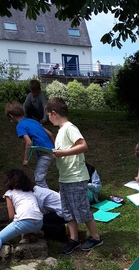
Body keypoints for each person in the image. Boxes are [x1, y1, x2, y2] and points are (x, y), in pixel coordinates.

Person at [44, 97, 102, 254]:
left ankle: (96, 238)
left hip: (75, 177)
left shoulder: (69, 128)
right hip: (64, 177)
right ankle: (73, 239)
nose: (48, 118)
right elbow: (63, 153)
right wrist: (54, 154)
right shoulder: (60, 131)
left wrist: (62, 152)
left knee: (82, 209)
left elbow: (83, 145)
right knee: (68, 210)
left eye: (48, 115)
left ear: (54, 113)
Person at [0, 169, 43, 269]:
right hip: (39, 223)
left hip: (25, 222)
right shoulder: (31, 192)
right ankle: (31, 233)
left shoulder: (9, 193)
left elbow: (11, 216)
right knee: (27, 223)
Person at [5, 100, 54, 189]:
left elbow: (29, 142)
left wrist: (25, 160)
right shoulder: (32, 121)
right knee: (38, 175)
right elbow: (50, 134)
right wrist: (55, 148)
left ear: (11, 116)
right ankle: (44, 197)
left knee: (39, 179)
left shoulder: (20, 126)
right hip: (51, 151)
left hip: (45, 154)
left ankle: (49, 199)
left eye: (10, 119)